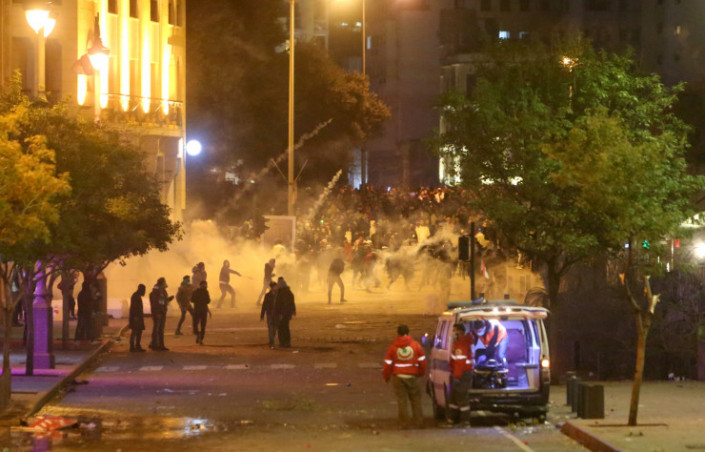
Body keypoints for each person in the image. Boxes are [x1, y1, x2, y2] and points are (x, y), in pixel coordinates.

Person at [382, 324, 427, 429]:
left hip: (398, 377)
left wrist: (386, 376)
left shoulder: (393, 347)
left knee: (402, 401)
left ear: (398, 334)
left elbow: (387, 364)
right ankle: (418, 422)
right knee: (416, 400)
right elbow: (422, 362)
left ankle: (404, 423)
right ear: (408, 333)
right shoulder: (416, 345)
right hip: (413, 376)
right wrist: (420, 373)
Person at [445, 323, 475, 427]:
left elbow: (460, 362)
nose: (453, 333)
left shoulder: (461, 344)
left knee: (461, 396)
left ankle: (465, 421)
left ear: (460, 331)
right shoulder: (461, 342)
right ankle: (451, 420)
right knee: (454, 397)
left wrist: (456, 376)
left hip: (462, 374)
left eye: (454, 330)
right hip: (461, 373)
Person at [149, 277, 173, 351]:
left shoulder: (162, 291)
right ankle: (156, 345)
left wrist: (168, 299)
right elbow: (156, 303)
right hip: (159, 313)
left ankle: (158, 344)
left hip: (162, 312)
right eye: (164, 282)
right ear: (162, 283)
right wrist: (158, 312)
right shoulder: (156, 291)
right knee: (158, 329)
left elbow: (162, 301)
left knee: (159, 329)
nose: (165, 283)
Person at [273, 277, 295, 348]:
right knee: (284, 327)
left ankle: (284, 343)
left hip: (283, 314)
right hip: (284, 313)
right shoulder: (287, 291)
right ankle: (285, 342)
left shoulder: (283, 292)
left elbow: (284, 304)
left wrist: (282, 314)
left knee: (282, 327)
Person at [259, 281, 278, 348]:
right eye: (274, 287)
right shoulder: (267, 295)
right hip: (270, 314)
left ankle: (271, 341)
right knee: (271, 328)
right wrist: (262, 315)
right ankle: (271, 342)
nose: (275, 288)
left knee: (274, 329)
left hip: (276, 314)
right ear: (271, 287)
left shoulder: (278, 295)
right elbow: (264, 305)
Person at [191, 280, 211, 345]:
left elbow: (192, 300)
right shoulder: (205, 292)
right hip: (203, 310)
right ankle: (200, 338)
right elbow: (208, 301)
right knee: (202, 326)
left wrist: (198, 301)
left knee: (196, 325)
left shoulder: (196, 291)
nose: (205, 286)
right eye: (205, 284)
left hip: (197, 310)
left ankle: (198, 335)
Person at [129, 284, 147, 352]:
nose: (144, 292)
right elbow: (134, 308)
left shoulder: (136, 296)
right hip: (136, 317)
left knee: (138, 331)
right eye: (144, 290)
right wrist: (136, 317)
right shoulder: (136, 296)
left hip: (138, 316)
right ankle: (133, 346)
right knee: (135, 331)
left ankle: (137, 345)